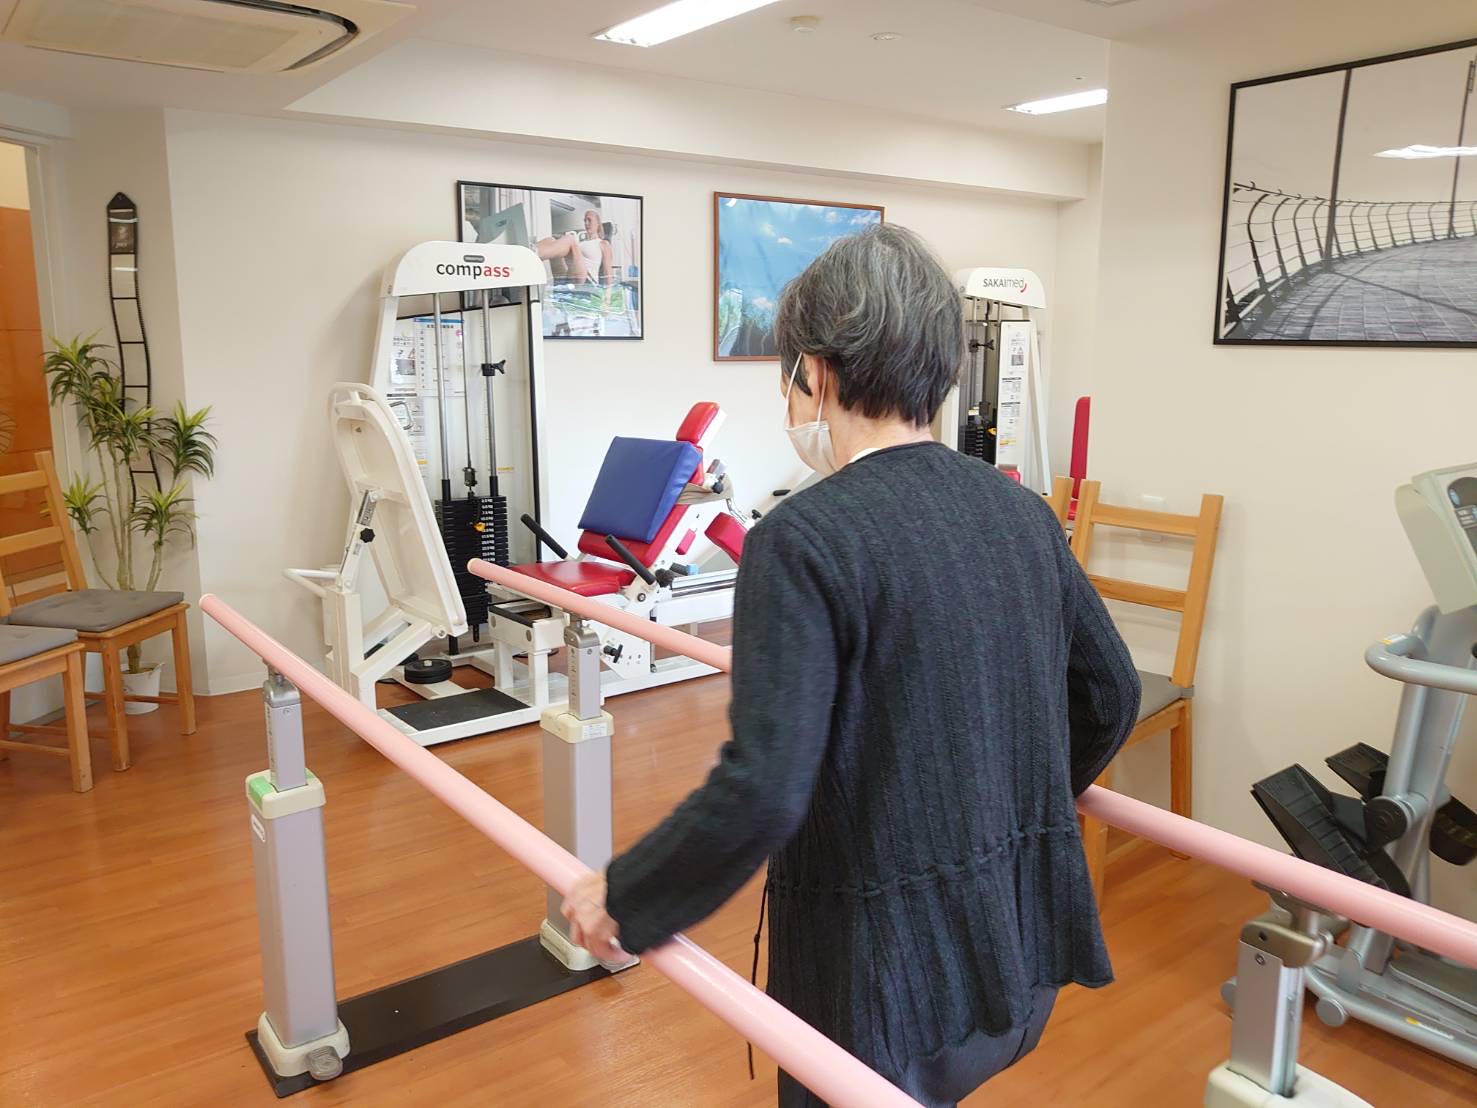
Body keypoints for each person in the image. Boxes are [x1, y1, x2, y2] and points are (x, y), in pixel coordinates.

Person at [562, 224, 1141, 1107]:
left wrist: (624, 897)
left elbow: (763, 789)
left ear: (817, 373)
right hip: (1016, 962)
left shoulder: (802, 540)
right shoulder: (1020, 511)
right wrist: (1003, 806)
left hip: (882, 991)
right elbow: (1109, 695)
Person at [535, 208, 613, 287]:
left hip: (588, 280)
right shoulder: (581, 243)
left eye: (589, 220)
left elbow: (608, 270)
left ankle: (535, 254)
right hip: (569, 275)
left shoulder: (603, 243)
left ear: (598, 223)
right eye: (585, 220)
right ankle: (531, 250)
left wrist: (608, 293)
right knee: (550, 240)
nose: (586, 223)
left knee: (570, 238)